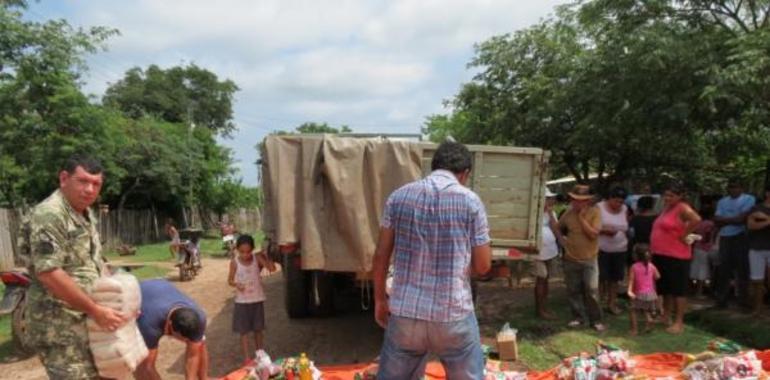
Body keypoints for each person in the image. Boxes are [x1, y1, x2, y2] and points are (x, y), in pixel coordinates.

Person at [372, 141, 492, 380]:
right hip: (453, 315)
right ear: (465, 173)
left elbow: (380, 256)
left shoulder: (399, 197)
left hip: (406, 315)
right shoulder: (470, 202)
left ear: (433, 166)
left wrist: (379, 300)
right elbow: (483, 266)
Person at [19, 155, 127, 379]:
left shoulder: (86, 214)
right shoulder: (50, 214)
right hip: (59, 325)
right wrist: (96, 311)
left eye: (96, 184)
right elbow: (49, 273)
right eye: (83, 181)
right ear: (64, 178)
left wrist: (118, 300)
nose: (89, 189)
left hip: (86, 320)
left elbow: (95, 263)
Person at [650, 183, 701, 334]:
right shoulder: (667, 208)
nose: (667, 198)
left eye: (671, 195)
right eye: (666, 195)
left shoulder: (682, 207)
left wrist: (684, 234)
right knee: (666, 288)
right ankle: (666, 316)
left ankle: (679, 322)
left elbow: (696, 219)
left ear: (680, 196)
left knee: (678, 290)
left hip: (677, 255)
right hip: (661, 254)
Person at [136, 279, 209, 380]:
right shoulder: (149, 326)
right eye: (183, 339)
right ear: (170, 325)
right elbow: (148, 366)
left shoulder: (200, 318)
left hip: (162, 289)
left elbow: (193, 355)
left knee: (199, 344)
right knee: (140, 364)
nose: (187, 341)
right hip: (139, 293)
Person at [559, 184, 605, 331]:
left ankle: (596, 320)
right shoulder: (567, 213)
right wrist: (562, 240)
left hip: (589, 258)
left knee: (592, 290)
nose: (577, 203)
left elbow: (593, 234)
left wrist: (581, 218)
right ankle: (578, 317)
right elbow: (557, 227)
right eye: (575, 199)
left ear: (587, 201)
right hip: (570, 258)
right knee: (573, 290)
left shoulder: (595, 212)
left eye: (581, 200)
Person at [228, 234, 276, 362]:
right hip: (242, 302)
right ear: (237, 250)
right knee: (243, 332)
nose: (245, 254)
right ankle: (247, 358)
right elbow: (230, 280)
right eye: (242, 252)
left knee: (258, 330)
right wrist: (236, 284)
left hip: (257, 300)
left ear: (253, 249)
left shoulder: (257, 259)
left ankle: (260, 355)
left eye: (248, 251)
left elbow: (272, 268)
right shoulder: (234, 263)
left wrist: (266, 256)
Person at [714, 179, 755, 308]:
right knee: (723, 269)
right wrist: (733, 219)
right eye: (730, 187)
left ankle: (743, 301)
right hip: (725, 236)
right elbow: (717, 220)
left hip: (741, 236)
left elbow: (742, 219)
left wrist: (725, 220)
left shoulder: (749, 199)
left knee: (742, 269)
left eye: (735, 187)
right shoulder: (722, 201)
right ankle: (722, 300)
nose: (733, 189)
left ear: (742, 188)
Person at [597, 187, 629, 315]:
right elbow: (591, 226)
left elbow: (626, 226)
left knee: (615, 278)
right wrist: (604, 230)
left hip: (620, 248)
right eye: (616, 201)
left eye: (621, 202)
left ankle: (612, 303)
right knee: (600, 277)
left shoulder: (625, 209)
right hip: (601, 248)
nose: (618, 204)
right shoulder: (598, 207)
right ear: (609, 198)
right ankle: (598, 304)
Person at [533, 188, 564, 319]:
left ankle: (544, 307)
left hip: (550, 250)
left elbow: (556, 229)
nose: (550, 200)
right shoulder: (533, 212)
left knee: (546, 279)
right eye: (547, 198)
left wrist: (562, 242)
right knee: (541, 278)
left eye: (550, 198)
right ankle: (540, 310)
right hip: (537, 251)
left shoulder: (550, 213)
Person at [627, 243, 660, 336]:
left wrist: (629, 291)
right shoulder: (651, 266)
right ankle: (649, 320)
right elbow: (658, 276)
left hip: (639, 293)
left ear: (636, 255)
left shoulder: (634, 267)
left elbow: (631, 280)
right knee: (645, 309)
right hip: (651, 293)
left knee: (633, 311)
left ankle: (634, 330)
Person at [746, 186, 770, 315]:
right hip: (756, 247)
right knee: (757, 280)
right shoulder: (756, 208)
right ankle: (757, 308)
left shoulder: (759, 213)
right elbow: (751, 225)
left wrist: (765, 219)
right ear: (767, 193)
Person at [690, 205, 717, 298]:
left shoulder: (698, 223)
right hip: (705, 248)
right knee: (703, 270)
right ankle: (699, 292)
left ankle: (695, 290)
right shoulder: (710, 224)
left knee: (696, 269)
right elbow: (708, 236)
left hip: (697, 247)